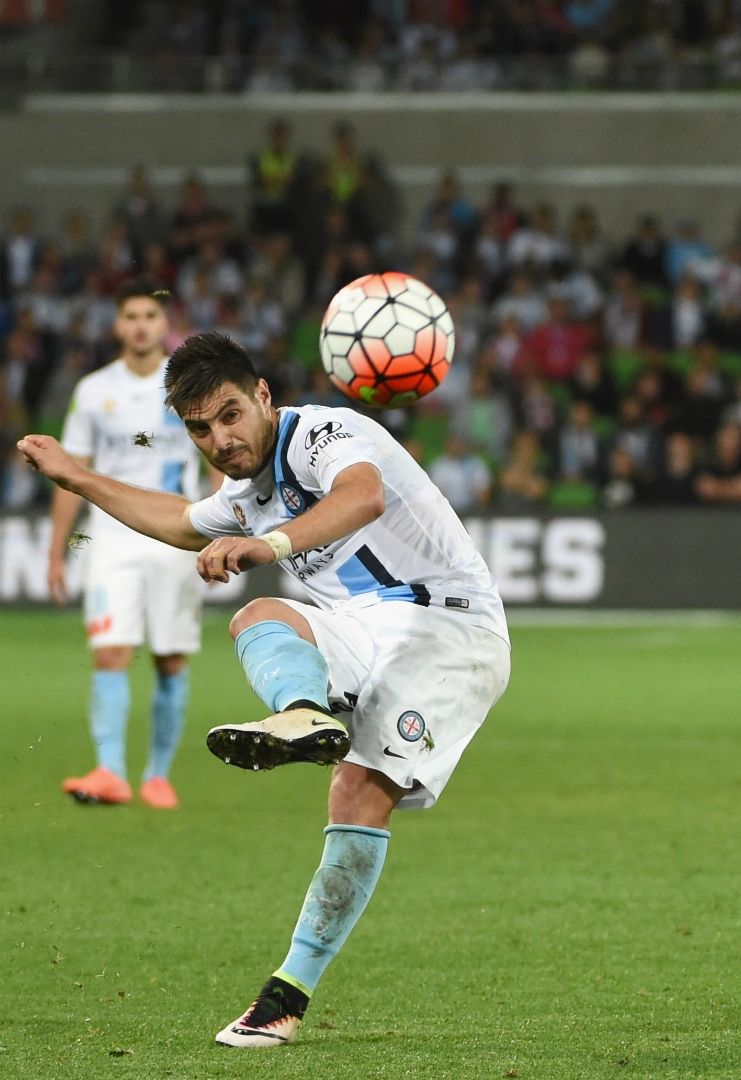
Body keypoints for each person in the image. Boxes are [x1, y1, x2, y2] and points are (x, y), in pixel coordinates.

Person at [17, 331, 512, 1050]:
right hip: (364, 626)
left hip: (449, 627)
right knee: (259, 615)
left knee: (358, 791)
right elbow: (180, 522)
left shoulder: (324, 433)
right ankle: (304, 713)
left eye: (228, 415)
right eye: (198, 428)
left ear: (262, 398)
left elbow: (363, 495)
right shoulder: (242, 495)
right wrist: (77, 478)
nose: (218, 439)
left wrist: (270, 545)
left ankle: (285, 997)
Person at [48, 282, 205, 809]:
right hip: (111, 537)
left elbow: (215, 459)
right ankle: (111, 771)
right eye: (131, 316)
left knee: (169, 659)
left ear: (165, 325)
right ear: (117, 325)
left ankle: (158, 775)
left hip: (177, 533)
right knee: (111, 651)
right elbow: (72, 473)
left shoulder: (189, 386)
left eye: (150, 315)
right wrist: (56, 552)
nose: (140, 325)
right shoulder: (94, 390)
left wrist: (223, 524)